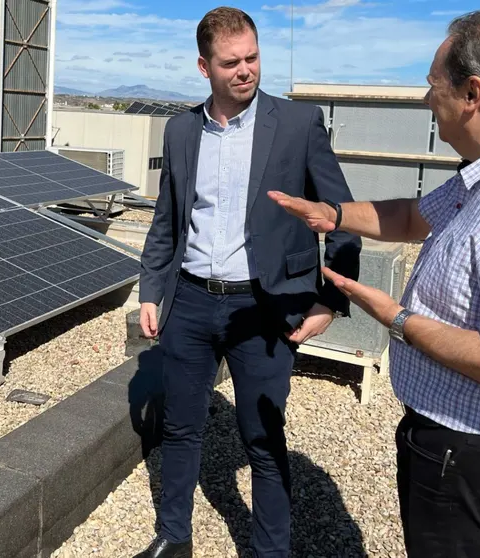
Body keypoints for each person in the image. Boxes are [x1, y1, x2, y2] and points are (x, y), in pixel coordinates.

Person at [269, 9, 480, 557]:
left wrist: (396, 319)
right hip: (450, 441)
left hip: (471, 453)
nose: (426, 101)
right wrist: (331, 213)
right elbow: (412, 218)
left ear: (474, 93)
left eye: (432, 86)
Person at [134, 6, 362, 558]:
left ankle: (269, 552)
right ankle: (173, 537)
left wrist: (331, 298)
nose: (245, 70)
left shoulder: (298, 125)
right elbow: (168, 220)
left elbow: (343, 216)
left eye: (253, 58)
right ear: (203, 67)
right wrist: (150, 288)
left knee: (262, 441)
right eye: (231, 62)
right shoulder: (182, 130)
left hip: (263, 309)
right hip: (188, 302)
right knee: (182, 429)